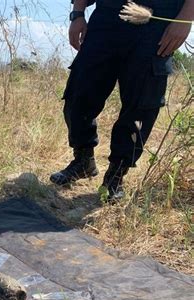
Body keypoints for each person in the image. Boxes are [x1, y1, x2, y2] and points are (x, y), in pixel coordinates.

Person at [50, 0, 193, 201]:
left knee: (141, 106)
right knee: (79, 92)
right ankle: (83, 160)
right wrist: (78, 14)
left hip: (157, 18)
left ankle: (116, 175)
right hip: (108, 13)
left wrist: (186, 18)